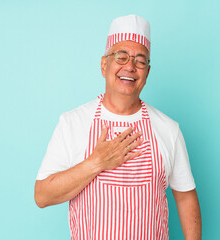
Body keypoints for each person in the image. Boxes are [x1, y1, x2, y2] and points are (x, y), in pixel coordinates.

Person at [35, 15, 202, 240]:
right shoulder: (73, 123)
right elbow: (42, 195)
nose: (130, 67)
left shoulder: (168, 129)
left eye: (140, 61)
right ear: (104, 65)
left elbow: (185, 196)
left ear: (147, 73)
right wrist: (97, 162)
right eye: (121, 57)